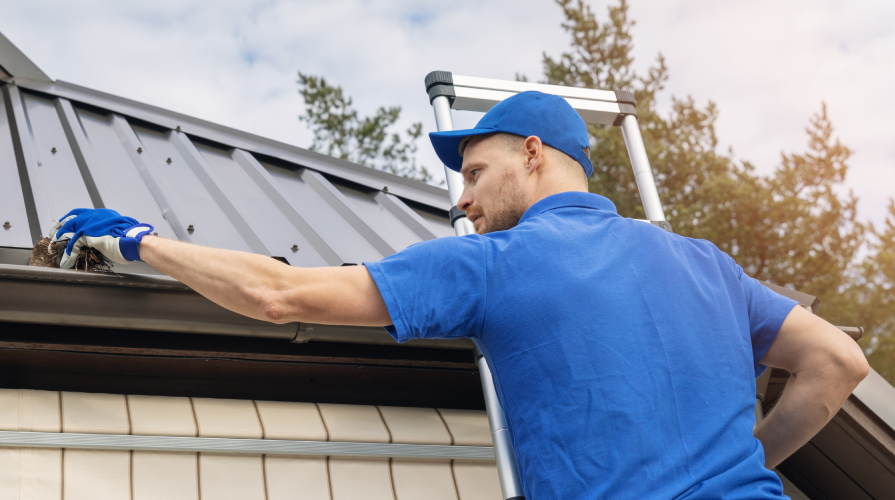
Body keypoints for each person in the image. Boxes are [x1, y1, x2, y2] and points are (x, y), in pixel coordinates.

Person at [47, 91, 868, 499]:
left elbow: (277, 295)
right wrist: (745, 464)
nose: (463, 200)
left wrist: (137, 241)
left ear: (535, 155)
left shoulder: (497, 262)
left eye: (475, 173)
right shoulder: (705, 263)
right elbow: (837, 361)